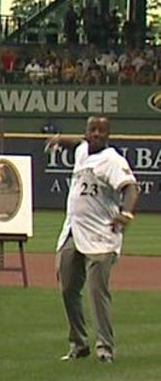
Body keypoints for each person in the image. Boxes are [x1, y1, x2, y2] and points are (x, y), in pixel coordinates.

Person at [45, 116, 139, 364]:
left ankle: (105, 348)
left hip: (101, 234)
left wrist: (126, 213)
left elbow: (131, 187)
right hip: (73, 230)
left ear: (108, 134)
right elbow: (81, 142)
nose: (96, 134)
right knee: (67, 287)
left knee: (97, 292)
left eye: (101, 130)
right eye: (92, 129)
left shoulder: (112, 160)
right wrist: (61, 139)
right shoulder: (82, 150)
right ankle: (79, 343)